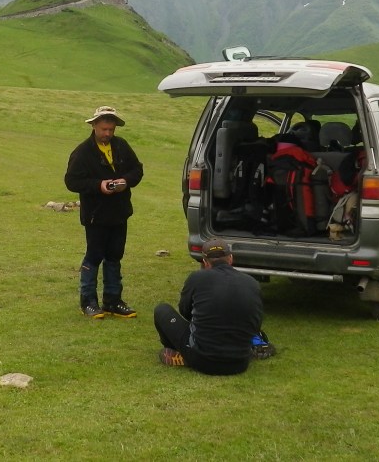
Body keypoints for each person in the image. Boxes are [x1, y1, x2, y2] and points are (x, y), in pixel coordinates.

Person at [64, 105, 145, 319]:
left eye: (111, 129)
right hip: (95, 215)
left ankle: (113, 301)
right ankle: (88, 302)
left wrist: (125, 181)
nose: (108, 134)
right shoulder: (82, 152)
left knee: (114, 256)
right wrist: (99, 185)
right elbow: (71, 181)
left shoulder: (122, 146)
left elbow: (137, 169)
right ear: (94, 126)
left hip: (119, 213)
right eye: (103, 129)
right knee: (94, 256)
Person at [154, 238, 274, 374]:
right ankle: (252, 347)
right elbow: (255, 324)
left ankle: (181, 352)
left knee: (162, 310)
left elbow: (185, 311)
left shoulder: (197, 278)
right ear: (230, 259)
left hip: (202, 359)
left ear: (205, 263)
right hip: (240, 363)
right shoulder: (252, 283)